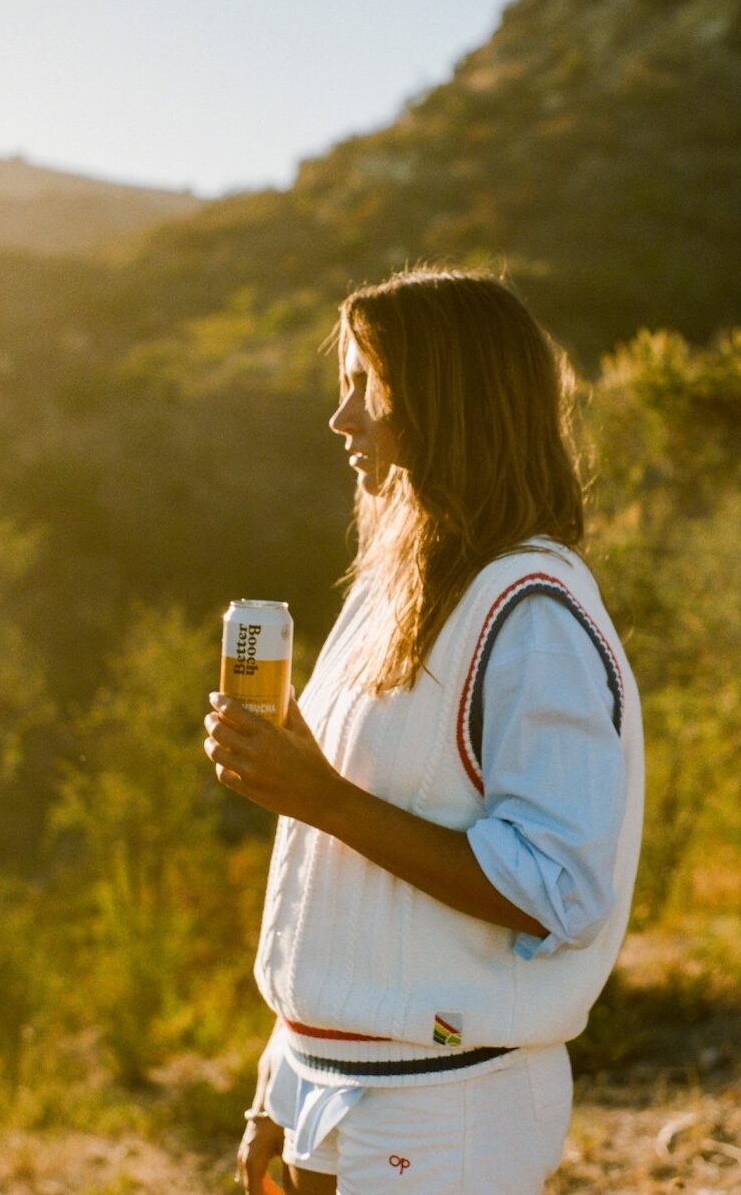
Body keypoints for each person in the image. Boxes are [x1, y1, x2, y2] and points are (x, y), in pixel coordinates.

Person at [204, 267, 644, 1195]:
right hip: (328, 1082)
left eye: (367, 384)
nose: (342, 417)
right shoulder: (387, 595)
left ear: (445, 398)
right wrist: (273, 1087)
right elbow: (330, 889)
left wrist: (319, 795)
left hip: (450, 1102)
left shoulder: (532, 613)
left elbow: (558, 889)